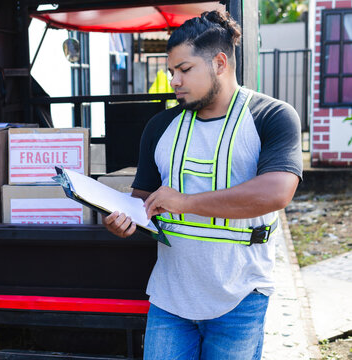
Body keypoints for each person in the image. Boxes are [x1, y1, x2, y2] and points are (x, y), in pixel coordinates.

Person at [103, 10, 302, 360]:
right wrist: (125, 220)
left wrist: (185, 202)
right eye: (171, 72)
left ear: (220, 62)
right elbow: (142, 202)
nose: (174, 81)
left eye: (184, 70)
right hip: (170, 298)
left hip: (240, 297)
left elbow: (276, 192)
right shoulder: (160, 126)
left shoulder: (271, 116)